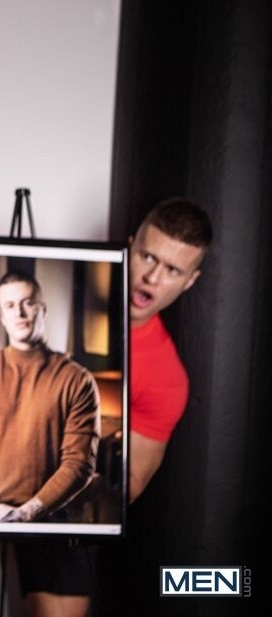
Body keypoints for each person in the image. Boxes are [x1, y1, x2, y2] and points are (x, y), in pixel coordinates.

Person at [0, 270, 101, 617]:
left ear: (42, 309)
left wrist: (30, 511)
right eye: (10, 305)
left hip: (49, 512)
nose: (19, 312)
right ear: (1, 315)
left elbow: (79, 463)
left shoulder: (76, 380)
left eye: (28, 303)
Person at [126, 197, 212, 503]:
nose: (152, 278)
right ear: (130, 248)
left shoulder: (166, 379)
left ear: (190, 281)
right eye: (148, 257)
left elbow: (128, 487)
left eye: (173, 270)